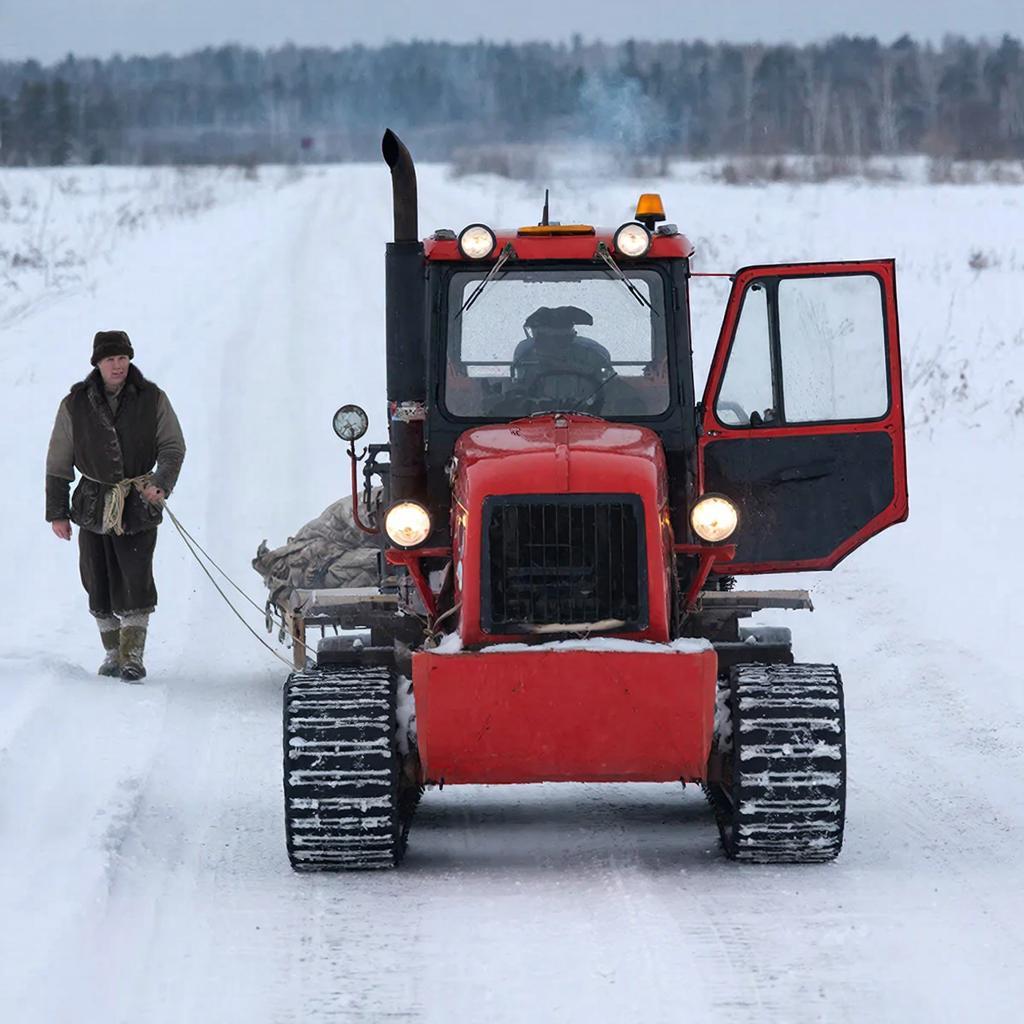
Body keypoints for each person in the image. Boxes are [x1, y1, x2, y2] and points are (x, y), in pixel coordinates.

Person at [45, 331, 186, 682]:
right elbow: (58, 461)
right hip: (92, 505)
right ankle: (111, 653)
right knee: (97, 579)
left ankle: (132, 655)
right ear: (97, 362)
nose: (118, 365)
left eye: (123, 358)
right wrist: (58, 513)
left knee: (135, 577)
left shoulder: (152, 398)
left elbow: (172, 446)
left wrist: (161, 482)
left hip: (137, 503)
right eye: (110, 359)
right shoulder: (74, 403)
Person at [508, 306, 615, 409]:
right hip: (534, 419)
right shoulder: (525, 354)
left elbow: (610, 393)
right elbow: (518, 390)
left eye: (542, 339)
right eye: (537, 338)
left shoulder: (592, 354)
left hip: (589, 418)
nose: (538, 344)